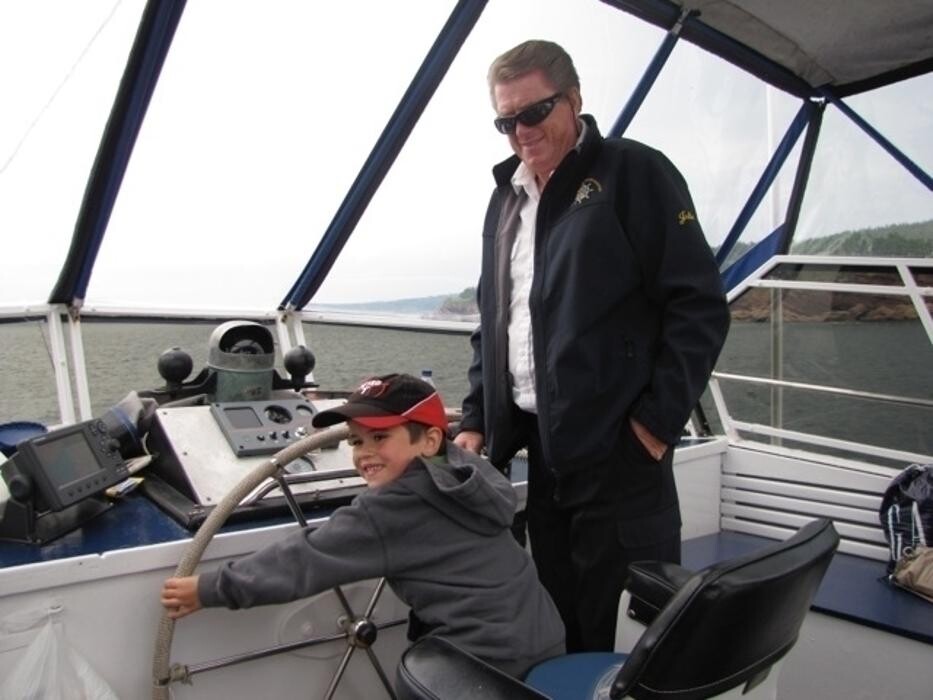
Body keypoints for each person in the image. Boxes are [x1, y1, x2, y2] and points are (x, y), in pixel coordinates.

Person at [454, 40, 731, 653]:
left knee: (628, 645)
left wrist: (653, 427)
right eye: (506, 121)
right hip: (542, 460)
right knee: (560, 627)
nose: (520, 132)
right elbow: (494, 323)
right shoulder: (506, 202)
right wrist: (476, 418)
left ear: (574, 100)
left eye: (534, 112)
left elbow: (699, 307)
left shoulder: (633, 173)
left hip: (620, 458)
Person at [160, 373, 565, 678]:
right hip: (544, 639)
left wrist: (212, 588)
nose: (364, 454)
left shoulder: (387, 510)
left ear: (428, 440)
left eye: (380, 438)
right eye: (355, 441)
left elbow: (305, 559)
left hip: (485, 662)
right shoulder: (469, 474)